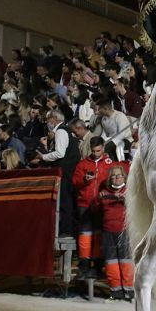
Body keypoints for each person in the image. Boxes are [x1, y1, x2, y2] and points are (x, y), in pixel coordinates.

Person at [72, 136, 113, 279]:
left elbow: (115, 182)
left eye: (99, 150)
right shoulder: (83, 164)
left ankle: (96, 267)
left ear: (103, 148)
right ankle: (83, 267)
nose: (96, 153)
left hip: (102, 205)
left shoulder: (109, 164)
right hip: (85, 204)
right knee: (85, 237)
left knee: (98, 237)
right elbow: (75, 182)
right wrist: (84, 180)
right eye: (94, 151)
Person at [33, 110, 79, 238]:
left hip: (66, 172)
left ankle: (66, 230)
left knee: (65, 201)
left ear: (54, 119)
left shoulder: (61, 131)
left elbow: (60, 153)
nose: (47, 122)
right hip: (68, 171)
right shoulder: (65, 131)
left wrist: (43, 156)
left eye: (48, 119)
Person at [98, 165, 134, 301]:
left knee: (126, 261)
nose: (116, 178)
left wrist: (123, 198)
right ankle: (115, 291)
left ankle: (129, 291)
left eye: (119, 175)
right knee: (111, 262)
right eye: (113, 175)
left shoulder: (129, 191)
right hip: (108, 231)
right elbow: (96, 207)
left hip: (124, 230)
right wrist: (101, 198)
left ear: (124, 177)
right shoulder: (104, 192)